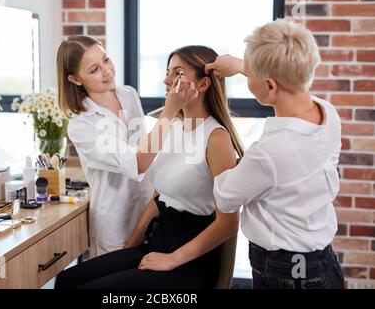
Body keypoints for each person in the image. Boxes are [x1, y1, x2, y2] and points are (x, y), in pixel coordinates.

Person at [54, 45, 243, 289]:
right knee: (67, 280)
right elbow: (159, 195)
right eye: (167, 72)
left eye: (177, 74)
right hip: (158, 239)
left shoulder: (216, 138)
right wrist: (130, 246)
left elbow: (229, 223)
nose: (166, 80)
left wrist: (172, 259)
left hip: (190, 259)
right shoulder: (173, 125)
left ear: (203, 84)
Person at [206, 19, 344, 289]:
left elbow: (226, 196)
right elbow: (282, 78)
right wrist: (242, 65)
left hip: (285, 276)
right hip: (323, 265)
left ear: (270, 85)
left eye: (251, 75)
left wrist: (231, 164)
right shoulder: (328, 113)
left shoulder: (269, 152)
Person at [57, 36, 197, 257]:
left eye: (106, 60)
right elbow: (138, 163)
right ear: (75, 79)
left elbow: (144, 145)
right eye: (94, 69)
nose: (107, 71)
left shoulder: (128, 94)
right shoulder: (81, 125)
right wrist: (169, 112)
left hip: (149, 212)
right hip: (115, 225)